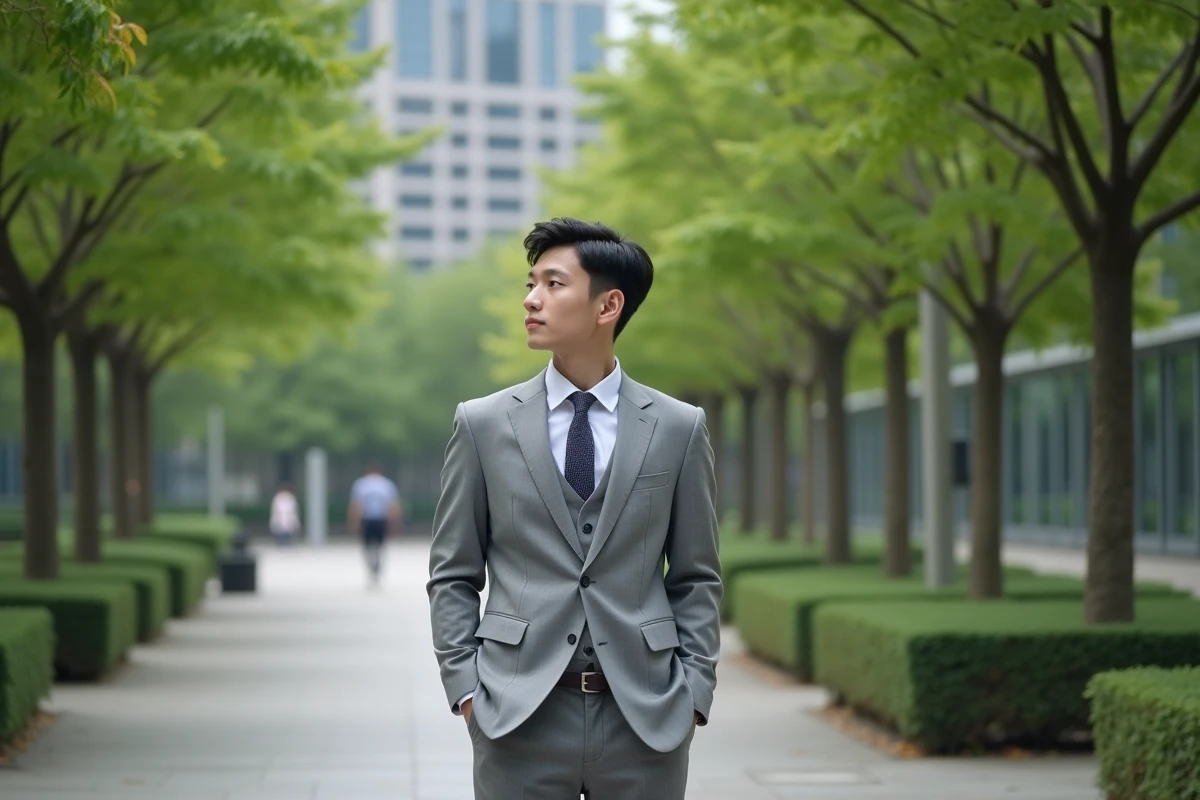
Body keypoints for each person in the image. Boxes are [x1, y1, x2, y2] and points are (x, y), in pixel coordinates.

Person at [427, 218, 722, 799]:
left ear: (608, 305)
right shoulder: (483, 424)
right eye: (531, 283)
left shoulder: (678, 428)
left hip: (645, 718)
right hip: (517, 716)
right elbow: (453, 573)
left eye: (554, 284)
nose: (531, 299)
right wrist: (467, 690)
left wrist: (693, 694)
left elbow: (697, 576)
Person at [348, 462, 401, 586]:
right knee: (380, 545)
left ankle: (372, 565)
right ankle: (377, 564)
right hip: (381, 519)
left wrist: (354, 522)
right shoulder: (387, 484)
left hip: (366, 519)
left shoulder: (361, 484)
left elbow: (356, 505)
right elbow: (392, 506)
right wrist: (395, 523)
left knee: (366, 546)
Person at [268, 482, 301, 547]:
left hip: (289, 523)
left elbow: (294, 512)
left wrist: (295, 523)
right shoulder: (277, 499)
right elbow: (275, 512)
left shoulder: (291, 498)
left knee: (288, 541)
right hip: (279, 523)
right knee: (281, 541)